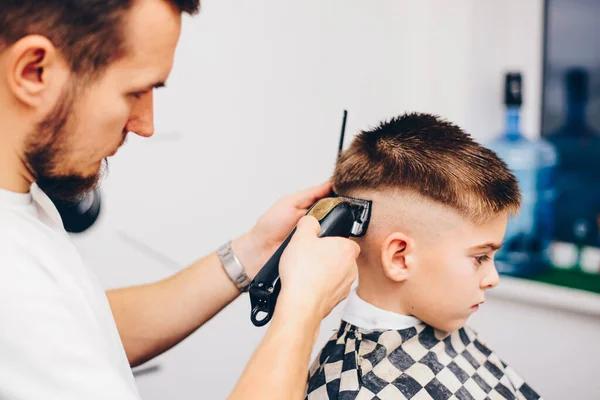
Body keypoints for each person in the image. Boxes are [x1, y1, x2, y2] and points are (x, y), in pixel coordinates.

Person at [0, 1, 360, 399]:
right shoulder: (11, 283)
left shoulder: (24, 205)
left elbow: (77, 330)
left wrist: (253, 252)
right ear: (34, 71)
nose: (146, 125)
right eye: (136, 92)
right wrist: (303, 307)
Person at [306, 113, 543, 399]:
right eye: (480, 257)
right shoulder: (354, 390)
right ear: (400, 258)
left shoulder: (443, 323)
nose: (492, 279)